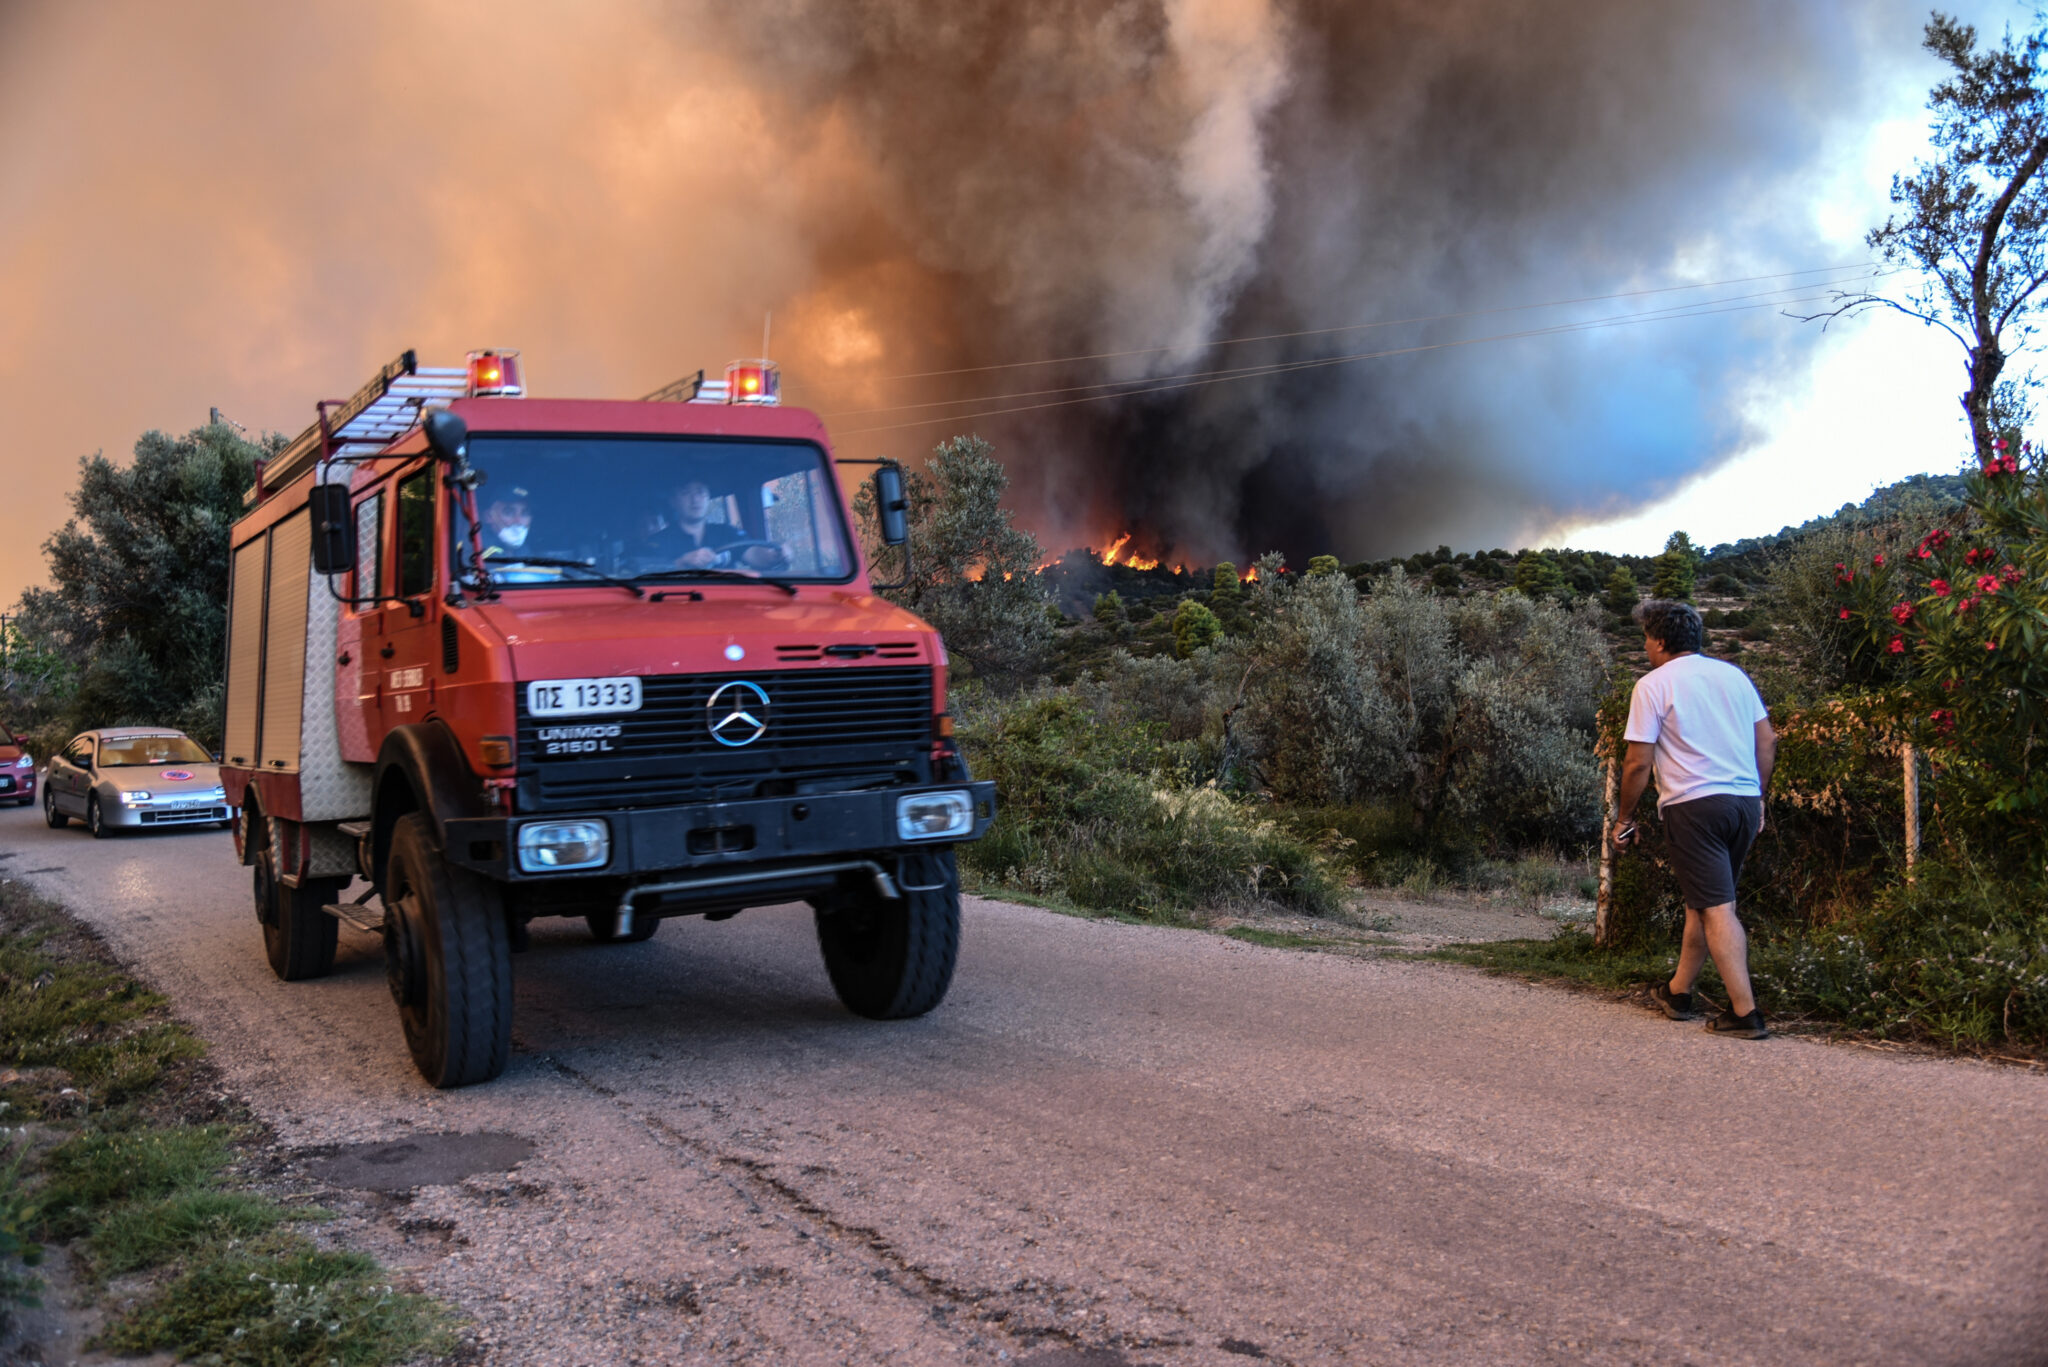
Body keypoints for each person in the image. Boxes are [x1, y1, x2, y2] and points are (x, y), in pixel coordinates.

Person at [1614, 599, 1777, 1039]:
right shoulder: (1735, 677)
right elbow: (1766, 742)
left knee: (1717, 907)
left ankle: (1745, 1013)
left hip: (1693, 805)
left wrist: (1625, 816)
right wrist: (1757, 798)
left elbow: (1636, 763)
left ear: (1661, 641)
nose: (1645, 646)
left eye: (1646, 638)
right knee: (1703, 901)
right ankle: (1678, 992)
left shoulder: (1652, 685)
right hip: (1743, 801)